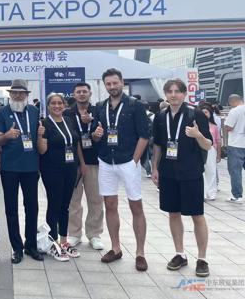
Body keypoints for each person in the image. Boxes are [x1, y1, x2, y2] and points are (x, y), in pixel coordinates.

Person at [151, 79, 212, 278]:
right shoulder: (160, 116)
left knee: (197, 215)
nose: (173, 95)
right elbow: (158, 145)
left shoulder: (195, 114)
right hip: (168, 172)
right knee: (173, 213)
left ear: (184, 94)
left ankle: (202, 258)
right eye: (169, 91)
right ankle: (180, 254)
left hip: (191, 172)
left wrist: (197, 135)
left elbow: (208, 145)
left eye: (177, 91)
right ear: (165, 94)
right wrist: (154, 168)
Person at [92, 68, 150, 271]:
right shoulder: (100, 106)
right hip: (106, 161)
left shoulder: (135, 105)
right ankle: (115, 248)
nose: (112, 86)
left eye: (115, 83)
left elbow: (144, 135)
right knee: (110, 205)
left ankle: (140, 253)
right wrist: (97, 135)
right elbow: (95, 135)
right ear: (105, 85)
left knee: (136, 206)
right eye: (108, 84)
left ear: (122, 82)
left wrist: (135, 160)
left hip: (128, 161)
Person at [0, 79, 43, 264]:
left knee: (32, 207)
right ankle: (17, 247)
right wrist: (7, 136)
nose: (17, 95)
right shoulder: (2, 112)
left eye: (21, 93)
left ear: (26, 95)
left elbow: (39, 137)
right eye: (14, 92)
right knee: (11, 208)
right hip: (10, 168)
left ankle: (31, 245)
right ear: (10, 94)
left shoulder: (34, 112)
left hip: (31, 167)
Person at [38, 93, 80, 261]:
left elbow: (75, 143)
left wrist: (81, 165)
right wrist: (40, 135)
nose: (57, 106)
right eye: (53, 103)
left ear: (64, 105)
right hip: (52, 169)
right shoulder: (44, 123)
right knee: (54, 205)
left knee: (65, 206)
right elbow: (42, 150)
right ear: (48, 106)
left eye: (59, 103)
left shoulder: (69, 120)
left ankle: (64, 241)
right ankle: (53, 242)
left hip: (70, 168)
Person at [64, 82, 104, 251]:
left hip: (94, 161)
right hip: (73, 163)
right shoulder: (67, 113)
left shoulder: (98, 111)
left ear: (90, 93)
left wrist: (94, 130)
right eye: (78, 92)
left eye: (84, 91)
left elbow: (105, 132)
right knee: (73, 200)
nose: (81, 94)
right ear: (74, 95)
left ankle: (94, 234)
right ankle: (74, 233)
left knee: (96, 199)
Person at [224, 94, 245, 203]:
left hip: (236, 144)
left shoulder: (234, 111)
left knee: (235, 171)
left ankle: (237, 195)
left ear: (231, 102)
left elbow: (229, 127)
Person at [200, 104, 221, 201]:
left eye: (206, 112)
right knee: (202, 171)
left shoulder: (214, 126)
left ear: (210, 114)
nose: (204, 114)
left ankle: (212, 193)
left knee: (211, 171)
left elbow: (218, 140)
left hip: (211, 149)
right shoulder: (197, 125)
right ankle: (203, 193)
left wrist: (219, 154)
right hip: (200, 149)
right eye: (203, 112)